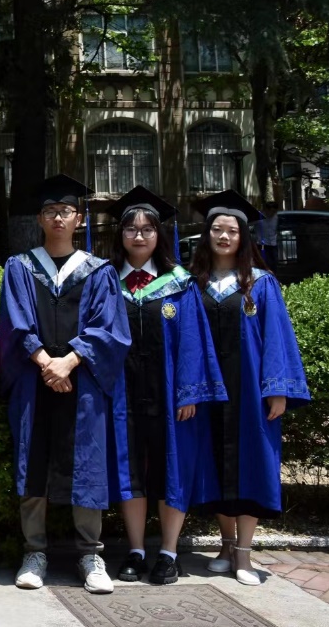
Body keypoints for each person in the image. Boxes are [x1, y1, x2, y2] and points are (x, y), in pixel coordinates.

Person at [0, 174, 131, 595]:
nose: (58, 217)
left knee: (88, 464)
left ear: (79, 218)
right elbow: (16, 324)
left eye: (66, 211)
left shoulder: (99, 271)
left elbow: (108, 328)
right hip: (35, 382)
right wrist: (46, 363)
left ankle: (91, 553)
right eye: (51, 211)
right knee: (33, 461)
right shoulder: (20, 267)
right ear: (40, 218)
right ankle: (34, 552)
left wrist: (69, 361)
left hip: (82, 384)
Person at [105, 187, 226, 586]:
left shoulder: (180, 284)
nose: (139, 236)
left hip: (170, 396)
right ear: (121, 234)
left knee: (171, 468)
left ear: (159, 234)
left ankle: (169, 552)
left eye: (147, 229)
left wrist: (189, 393)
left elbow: (193, 340)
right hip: (122, 394)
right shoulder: (107, 280)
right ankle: (137, 550)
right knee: (131, 469)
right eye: (131, 229)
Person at [190, 190, 310, 586]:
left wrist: (277, 389)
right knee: (215, 464)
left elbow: (276, 337)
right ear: (207, 234)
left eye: (232, 230)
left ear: (243, 237)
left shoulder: (260, 283)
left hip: (249, 392)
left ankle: (244, 552)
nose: (224, 236)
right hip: (209, 391)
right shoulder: (195, 284)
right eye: (217, 229)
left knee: (251, 464)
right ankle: (225, 545)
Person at [254, 201, 280, 275]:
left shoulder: (276, 217)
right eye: (271, 211)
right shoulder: (259, 217)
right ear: (266, 210)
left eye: (274, 212)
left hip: (273, 245)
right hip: (262, 245)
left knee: (274, 265)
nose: (272, 214)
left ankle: (273, 278)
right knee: (263, 265)